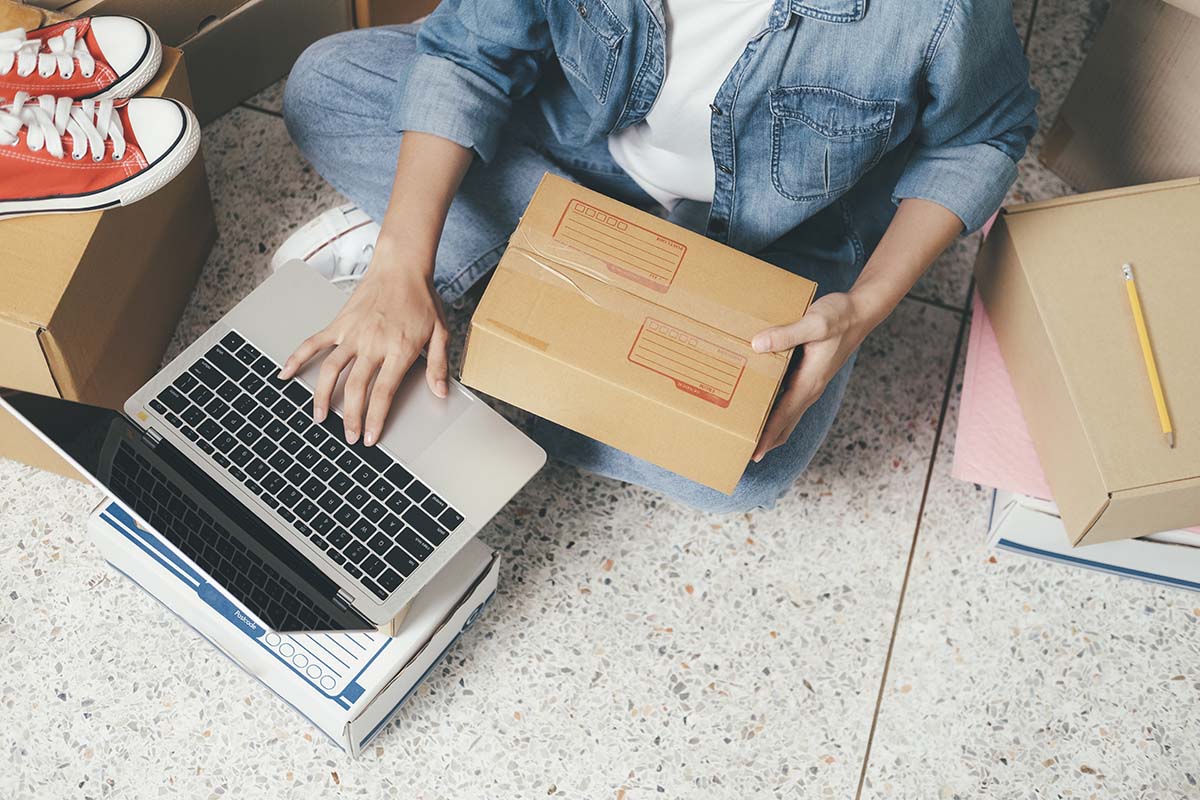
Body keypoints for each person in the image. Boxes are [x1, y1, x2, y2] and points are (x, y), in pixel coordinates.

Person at [276, 0, 1038, 513]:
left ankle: (502, 304)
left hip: (763, 243)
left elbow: (980, 139)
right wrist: (400, 267)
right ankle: (480, 288)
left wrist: (864, 308)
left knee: (744, 472)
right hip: (573, 155)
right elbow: (471, 52)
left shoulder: (936, 12)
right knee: (327, 85)